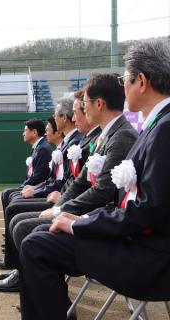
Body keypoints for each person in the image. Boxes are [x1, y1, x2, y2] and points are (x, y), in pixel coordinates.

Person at [19, 39, 170, 320]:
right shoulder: (158, 126)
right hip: (136, 241)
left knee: (37, 246)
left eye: (125, 79)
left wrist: (81, 223)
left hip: (149, 257)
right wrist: (79, 221)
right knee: (39, 236)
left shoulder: (164, 129)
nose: (123, 86)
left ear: (141, 81)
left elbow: (147, 211)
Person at [0, 73, 138, 293]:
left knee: (26, 228)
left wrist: (62, 209)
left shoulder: (122, 136)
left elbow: (102, 191)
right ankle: (38, 289)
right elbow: (81, 182)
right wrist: (60, 208)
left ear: (99, 104)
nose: (81, 110)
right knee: (23, 222)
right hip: (90, 211)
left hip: (102, 218)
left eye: (85, 104)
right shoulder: (106, 136)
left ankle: (45, 295)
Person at [0, 98, 84, 271]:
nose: (52, 122)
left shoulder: (74, 143)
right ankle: (14, 259)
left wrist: (50, 194)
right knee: (12, 199)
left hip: (64, 201)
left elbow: (67, 181)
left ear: (64, 118)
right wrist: (36, 189)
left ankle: (17, 265)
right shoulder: (67, 145)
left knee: (15, 209)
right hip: (59, 196)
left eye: (55, 116)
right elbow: (57, 179)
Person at [0, 119, 53, 216]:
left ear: (34, 132)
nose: (23, 134)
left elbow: (38, 177)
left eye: (25, 130)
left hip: (39, 188)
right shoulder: (38, 147)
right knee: (6, 193)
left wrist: (24, 187)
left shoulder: (43, 149)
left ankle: (9, 231)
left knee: (7, 193)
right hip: (35, 186)